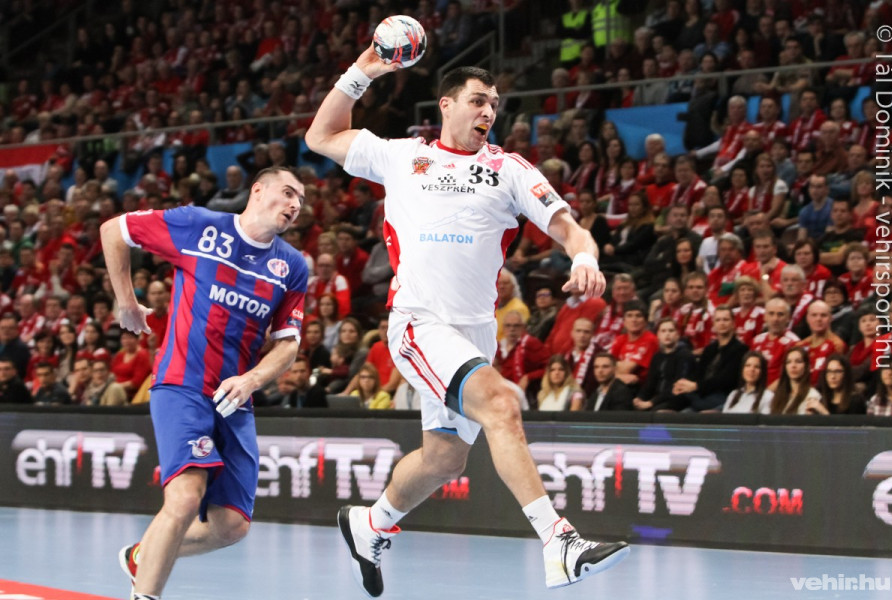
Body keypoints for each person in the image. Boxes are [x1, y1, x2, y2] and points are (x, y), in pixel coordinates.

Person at [306, 51, 628, 596]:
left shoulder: (509, 169)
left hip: (475, 332)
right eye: (478, 101)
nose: (488, 112)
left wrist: (584, 257)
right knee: (502, 405)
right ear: (446, 105)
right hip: (420, 322)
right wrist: (366, 68)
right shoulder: (403, 156)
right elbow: (321, 135)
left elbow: (569, 227)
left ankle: (371, 523)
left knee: (445, 458)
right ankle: (560, 543)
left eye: (494, 105)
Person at [103, 166, 308, 600]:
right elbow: (114, 231)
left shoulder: (291, 266)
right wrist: (126, 301)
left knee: (231, 526)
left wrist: (252, 379)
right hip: (181, 384)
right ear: (258, 190)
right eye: (289, 193)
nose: (295, 205)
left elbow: (288, 345)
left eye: (301, 201)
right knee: (184, 498)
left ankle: (142, 556)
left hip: (235, 399)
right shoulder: (199, 225)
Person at [770, 347, 822, 415]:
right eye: (789, 362)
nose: (793, 366)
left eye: (798, 361)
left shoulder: (812, 395)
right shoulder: (778, 395)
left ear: (807, 366)